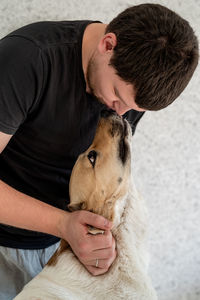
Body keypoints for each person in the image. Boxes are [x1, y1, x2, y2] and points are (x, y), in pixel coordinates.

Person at [0, 3, 198, 299]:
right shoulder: (27, 59)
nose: (122, 113)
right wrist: (63, 224)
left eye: (135, 108)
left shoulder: (128, 95)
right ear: (108, 44)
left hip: (68, 248)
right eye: (118, 96)